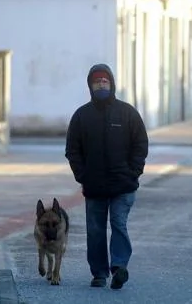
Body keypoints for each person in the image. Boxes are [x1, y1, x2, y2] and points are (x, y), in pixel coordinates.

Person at [65, 63, 149, 290]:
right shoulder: (82, 116)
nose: (101, 84)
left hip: (124, 184)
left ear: (111, 84)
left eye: (105, 81)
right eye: (97, 81)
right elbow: (72, 149)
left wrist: (134, 171)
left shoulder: (127, 113)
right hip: (94, 186)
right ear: (90, 85)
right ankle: (99, 273)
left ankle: (119, 267)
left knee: (118, 223)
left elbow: (140, 144)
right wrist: (82, 175)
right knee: (95, 230)